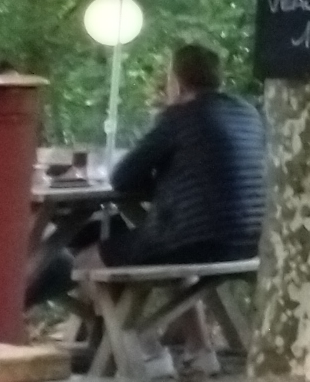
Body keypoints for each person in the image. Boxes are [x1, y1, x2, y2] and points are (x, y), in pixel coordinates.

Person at [26, 42, 264, 312]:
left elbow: (122, 178)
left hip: (192, 241)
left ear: (177, 82)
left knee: (83, 261)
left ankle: (122, 335)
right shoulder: (249, 114)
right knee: (146, 252)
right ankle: (162, 337)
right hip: (248, 242)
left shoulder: (180, 116)